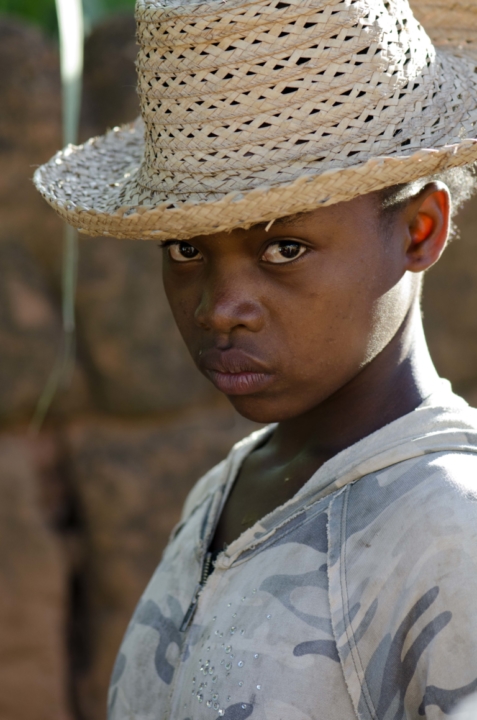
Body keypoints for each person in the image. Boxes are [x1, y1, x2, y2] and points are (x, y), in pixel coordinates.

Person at [34, 0, 477, 717]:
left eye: (285, 249)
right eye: (186, 248)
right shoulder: (227, 490)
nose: (218, 308)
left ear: (418, 230)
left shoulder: (452, 526)